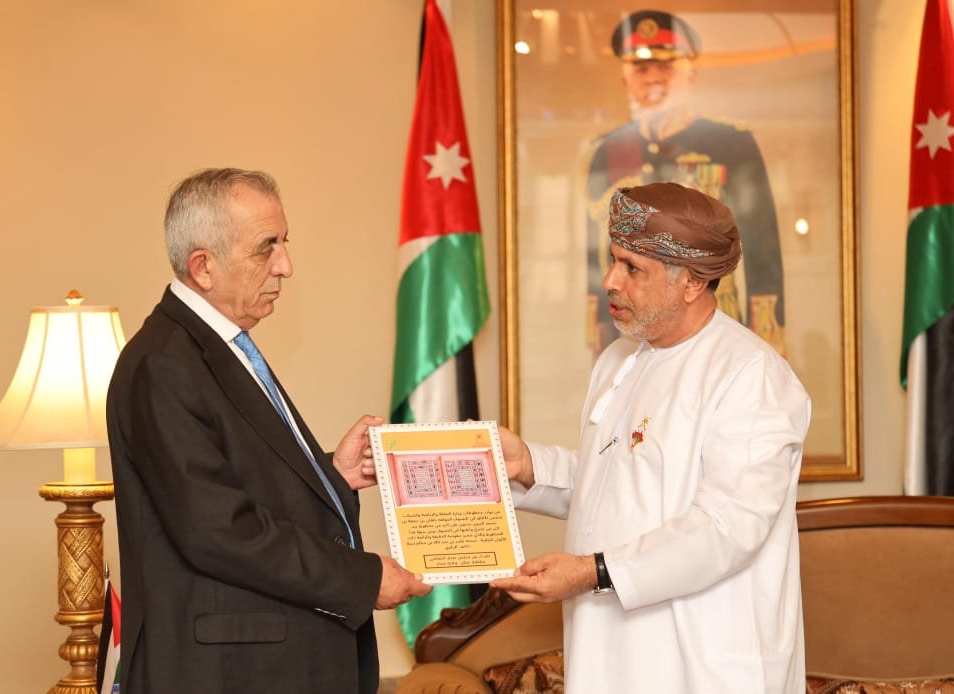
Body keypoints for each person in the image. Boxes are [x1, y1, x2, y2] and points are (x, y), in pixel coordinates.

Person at [106, 168, 431, 693]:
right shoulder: (163, 364)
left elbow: (240, 485)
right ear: (203, 267)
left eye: (284, 243)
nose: (285, 266)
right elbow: (218, 530)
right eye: (266, 248)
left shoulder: (217, 346)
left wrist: (332, 474)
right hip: (223, 676)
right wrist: (363, 578)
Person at [492, 182, 811, 693]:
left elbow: (726, 528)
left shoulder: (751, 374)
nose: (611, 281)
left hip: (703, 664)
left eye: (632, 268)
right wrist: (529, 465)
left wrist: (592, 571)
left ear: (692, 283)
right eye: (612, 261)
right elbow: (623, 485)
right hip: (609, 650)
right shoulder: (619, 358)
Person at [584, 9, 787, 356]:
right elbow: (597, 252)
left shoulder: (732, 144)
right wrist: (602, 333)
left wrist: (766, 330)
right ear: (625, 79)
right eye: (641, 68)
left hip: (710, 321)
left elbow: (761, 245)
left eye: (665, 66)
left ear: (690, 73)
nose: (653, 78)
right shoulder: (608, 151)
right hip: (634, 329)